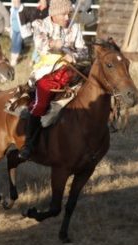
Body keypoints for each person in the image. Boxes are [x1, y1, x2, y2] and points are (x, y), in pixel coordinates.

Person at [18, 0, 89, 160]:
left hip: (72, 69)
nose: (67, 17)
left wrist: (75, 55)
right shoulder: (40, 25)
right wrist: (54, 44)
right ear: (53, 14)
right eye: (64, 14)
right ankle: (29, 143)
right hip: (48, 70)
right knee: (42, 99)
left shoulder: (75, 26)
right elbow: (41, 46)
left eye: (69, 13)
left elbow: (84, 50)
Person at [10, 0, 22, 66]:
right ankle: (12, 58)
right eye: (14, 1)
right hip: (14, 29)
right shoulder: (12, 9)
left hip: (20, 30)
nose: (15, 2)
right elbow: (11, 19)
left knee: (18, 44)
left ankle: (15, 59)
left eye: (17, 1)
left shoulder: (22, 9)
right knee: (13, 43)